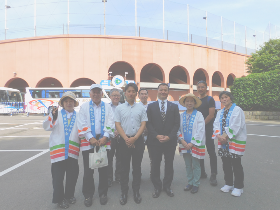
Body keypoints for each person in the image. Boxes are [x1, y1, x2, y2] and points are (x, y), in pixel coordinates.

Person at [77, 84, 115, 207]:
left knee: (103, 169)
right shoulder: (84, 107)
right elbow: (81, 123)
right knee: (88, 171)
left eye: (98, 92)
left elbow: (111, 121)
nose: (96, 94)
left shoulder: (107, 107)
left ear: (101, 94)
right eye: (94, 92)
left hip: (104, 141)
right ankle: (88, 195)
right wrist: (90, 137)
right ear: (90, 93)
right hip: (89, 143)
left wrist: (105, 136)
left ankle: (103, 193)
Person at [43, 91, 80, 209]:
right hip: (58, 152)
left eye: (71, 101)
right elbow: (46, 126)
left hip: (73, 152)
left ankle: (69, 196)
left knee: (72, 176)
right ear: (62, 103)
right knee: (58, 178)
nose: (69, 103)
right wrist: (51, 117)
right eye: (66, 101)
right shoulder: (56, 114)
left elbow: (83, 130)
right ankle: (59, 199)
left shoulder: (79, 115)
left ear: (74, 103)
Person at [114, 83, 148, 205]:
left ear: (136, 93)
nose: (131, 93)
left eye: (133, 91)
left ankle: (136, 191)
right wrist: (126, 139)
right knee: (124, 168)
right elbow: (117, 124)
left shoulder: (141, 108)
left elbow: (143, 124)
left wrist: (135, 138)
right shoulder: (119, 108)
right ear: (125, 92)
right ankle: (124, 192)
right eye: (129, 91)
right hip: (124, 141)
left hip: (138, 141)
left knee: (137, 168)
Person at [146, 83, 180, 198]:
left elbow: (176, 124)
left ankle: (167, 186)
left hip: (170, 141)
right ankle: (157, 186)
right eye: (161, 90)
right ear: (158, 91)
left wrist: (169, 136)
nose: (163, 92)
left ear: (168, 92)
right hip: (154, 141)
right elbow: (148, 123)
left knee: (169, 164)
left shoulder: (174, 107)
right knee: (155, 164)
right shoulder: (151, 106)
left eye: (165, 90)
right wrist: (156, 135)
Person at [212, 91, 247, 197]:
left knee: (236, 164)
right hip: (223, 142)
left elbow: (237, 125)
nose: (224, 99)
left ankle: (238, 187)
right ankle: (229, 184)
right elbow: (216, 125)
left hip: (234, 141)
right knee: (226, 164)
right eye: (222, 98)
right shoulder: (220, 112)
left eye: (226, 97)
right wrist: (219, 136)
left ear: (230, 98)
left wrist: (225, 136)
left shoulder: (237, 110)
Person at [177, 93, 205, 194]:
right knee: (188, 165)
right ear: (184, 103)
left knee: (196, 165)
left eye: (191, 101)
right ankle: (190, 182)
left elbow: (200, 130)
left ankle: (196, 184)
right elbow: (178, 129)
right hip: (184, 144)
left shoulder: (199, 115)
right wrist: (182, 141)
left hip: (195, 144)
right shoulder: (181, 115)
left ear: (194, 103)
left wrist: (192, 143)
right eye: (187, 101)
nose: (189, 103)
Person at [196, 80, 218, 186]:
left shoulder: (210, 99)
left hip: (208, 129)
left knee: (211, 151)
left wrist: (201, 126)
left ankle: (213, 174)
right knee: (199, 151)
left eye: (202, 87)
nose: (201, 89)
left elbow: (211, 115)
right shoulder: (196, 100)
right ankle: (202, 172)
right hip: (198, 130)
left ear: (206, 88)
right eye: (199, 87)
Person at [107, 88, 122, 187]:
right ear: (110, 96)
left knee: (120, 158)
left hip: (121, 136)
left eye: (117, 95)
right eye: (114, 95)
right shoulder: (107, 107)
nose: (116, 97)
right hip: (109, 137)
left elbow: (125, 121)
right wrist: (113, 131)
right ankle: (108, 178)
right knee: (109, 158)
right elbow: (105, 121)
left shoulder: (124, 107)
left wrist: (119, 132)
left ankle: (119, 176)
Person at [138, 88, 152, 176]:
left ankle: (153, 173)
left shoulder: (152, 106)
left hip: (151, 134)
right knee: (138, 156)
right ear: (138, 96)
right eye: (142, 94)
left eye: (145, 94)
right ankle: (138, 174)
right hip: (140, 135)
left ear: (147, 95)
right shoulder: (136, 106)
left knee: (153, 156)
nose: (144, 95)